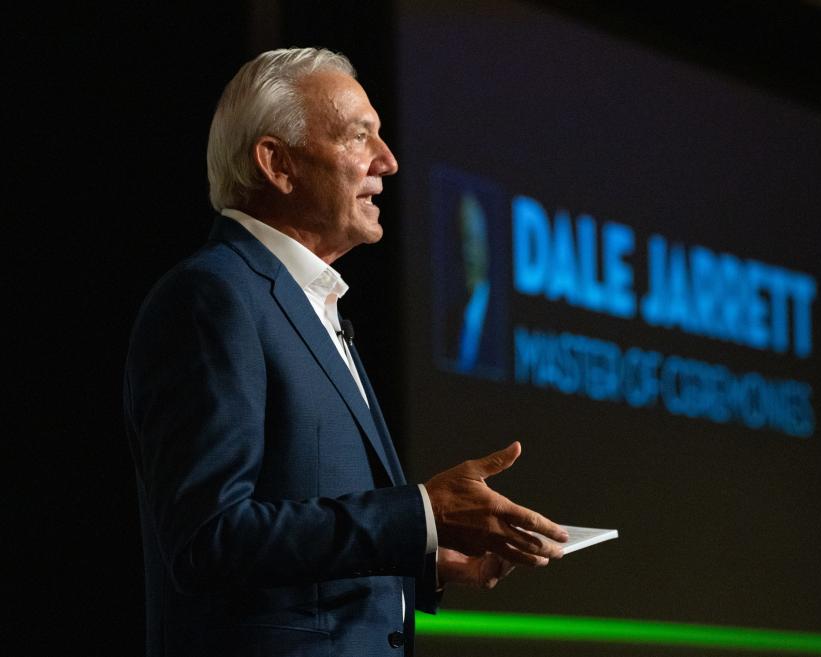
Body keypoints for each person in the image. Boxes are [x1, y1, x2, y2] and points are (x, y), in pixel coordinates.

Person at [123, 47, 568, 657]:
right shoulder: (213, 297)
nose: (387, 161)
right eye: (360, 138)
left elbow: (303, 542)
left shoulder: (313, 304)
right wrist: (418, 513)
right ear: (277, 164)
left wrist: (426, 558)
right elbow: (208, 538)